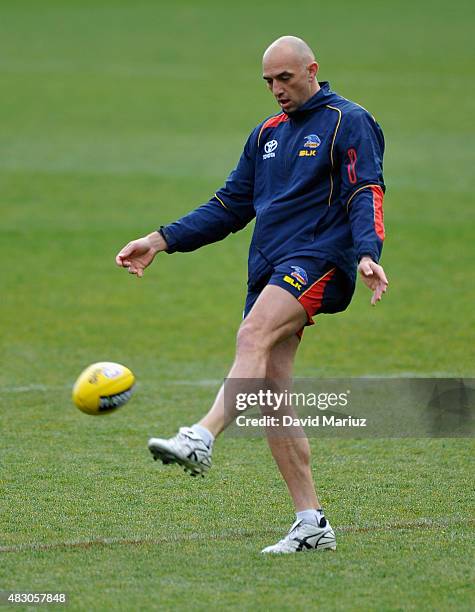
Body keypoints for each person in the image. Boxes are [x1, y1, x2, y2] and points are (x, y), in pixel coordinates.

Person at [116, 35, 388, 554]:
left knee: (253, 332)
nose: (276, 90)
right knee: (272, 393)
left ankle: (202, 436)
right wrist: (159, 240)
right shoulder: (265, 134)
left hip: (319, 257)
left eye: (285, 78)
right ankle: (311, 522)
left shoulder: (347, 121)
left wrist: (366, 250)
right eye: (268, 81)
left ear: (312, 70)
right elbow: (229, 205)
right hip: (268, 265)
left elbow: (365, 189)